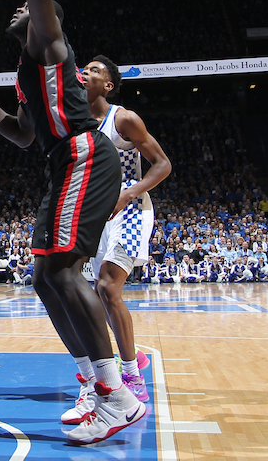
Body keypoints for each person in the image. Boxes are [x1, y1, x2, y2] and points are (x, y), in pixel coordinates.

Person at [0, 0, 144, 445]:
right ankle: (92, 380)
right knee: (43, 277)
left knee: (64, 271)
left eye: (28, 11)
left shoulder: (48, 43)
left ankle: (119, 397)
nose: (20, 11)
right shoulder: (25, 71)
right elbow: (20, 135)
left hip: (86, 154)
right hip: (61, 162)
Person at [84, 55, 171, 404]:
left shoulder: (123, 118)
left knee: (108, 286)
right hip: (95, 214)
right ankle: (129, 356)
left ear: (107, 85)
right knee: (100, 295)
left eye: (95, 70)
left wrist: (128, 193)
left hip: (130, 209)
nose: (85, 73)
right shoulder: (73, 120)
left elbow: (162, 164)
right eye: (84, 68)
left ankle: (132, 375)